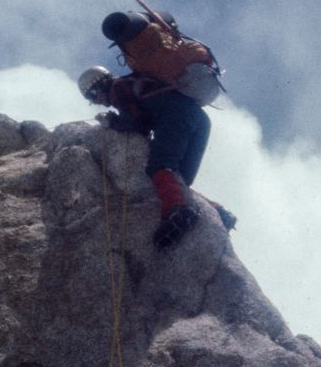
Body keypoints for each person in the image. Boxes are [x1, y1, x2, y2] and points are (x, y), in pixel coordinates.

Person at [78, 57, 236, 250]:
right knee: (177, 179)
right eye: (91, 99)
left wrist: (112, 122)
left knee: (159, 166)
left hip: (176, 116)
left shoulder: (118, 88)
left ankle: (176, 212)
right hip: (199, 119)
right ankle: (218, 212)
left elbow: (136, 123)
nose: (96, 101)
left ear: (100, 84)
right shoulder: (136, 82)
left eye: (93, 95)